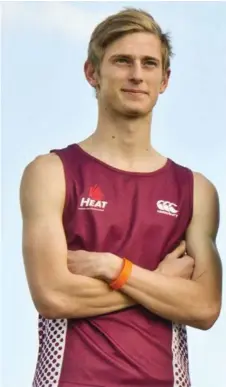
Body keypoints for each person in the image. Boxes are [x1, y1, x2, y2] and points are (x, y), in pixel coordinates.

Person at [20, 8, 222, 387]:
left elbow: (205, 306)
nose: (136, 74)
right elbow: (53, 295)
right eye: (122, 61)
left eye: (149, 64)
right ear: (92, 73)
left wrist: (115, 269)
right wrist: (158, 283)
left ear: (164, 80)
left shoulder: (196, 190)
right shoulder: (51, 173)